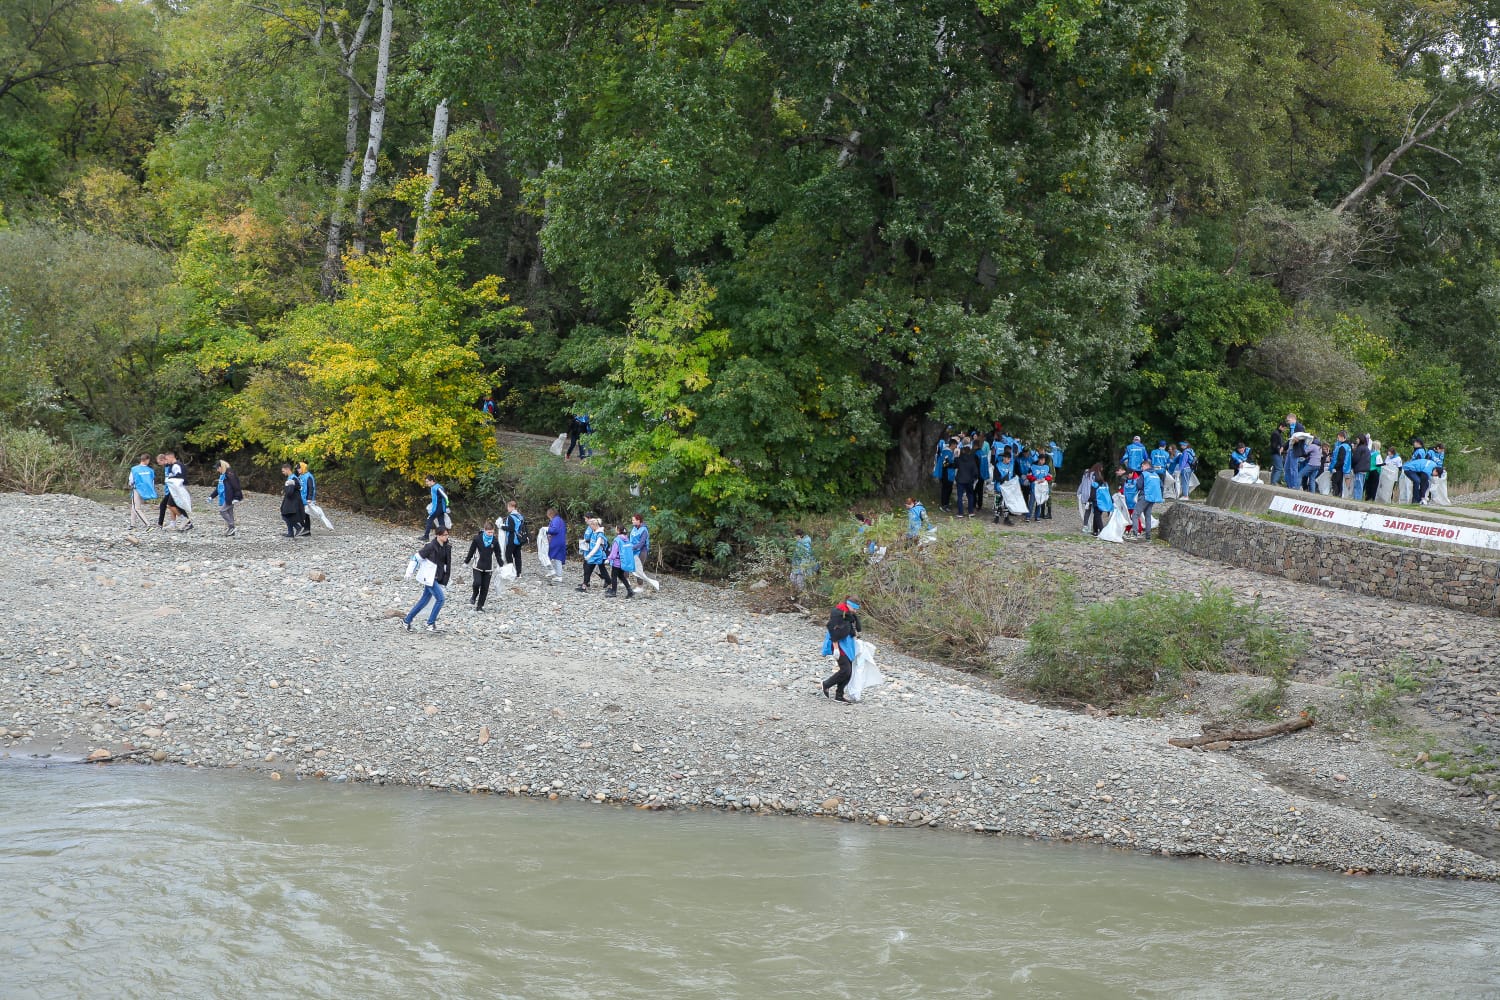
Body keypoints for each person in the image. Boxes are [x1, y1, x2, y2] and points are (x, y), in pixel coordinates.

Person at [404, 526, 452, 632]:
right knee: (441, 599)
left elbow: (446, 564)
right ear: (438, 535)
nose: (446, 537)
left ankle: (407, 620)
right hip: (429, 578)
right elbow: (416, 558)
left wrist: (446, 578)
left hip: (437, 578)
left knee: (423, 601)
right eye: (444, 535)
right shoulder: (430, 547)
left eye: (447, 534)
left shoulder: (447, 547)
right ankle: (430, 623)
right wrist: (409, 571)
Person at [819, 597, 862, 703]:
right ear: (849, 605)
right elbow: (833, 632)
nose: (855, 611)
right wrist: (836, 649)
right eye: (855, 608)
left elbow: (850, 628)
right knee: (845, 670)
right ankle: (826, 684)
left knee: (849, 672)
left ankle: (839, 695)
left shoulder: (849, 614)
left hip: (848, 644)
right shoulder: (837, 614)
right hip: (839, 644)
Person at [464, 522, 502, 610]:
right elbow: (471, 550)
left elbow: (498, 554)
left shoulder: (495, 541)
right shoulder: (477, 539)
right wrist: (466, 562)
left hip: (489, 568)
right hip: (477, 566)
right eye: (489, 532)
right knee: (477, 583)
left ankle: (480, 606)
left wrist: (501, 566)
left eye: (492, 532)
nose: (490, 534)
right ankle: (474, 594)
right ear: (485, 530)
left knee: (485, 588)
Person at [159, 452, 194, 531]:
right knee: (173, 505)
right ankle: (173, 523)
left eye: (167, 459)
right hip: (174, 488)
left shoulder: (176, 465)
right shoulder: (172, 465)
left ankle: (184, 519)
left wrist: (170, 479)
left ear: (171, 457)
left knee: (170, 505)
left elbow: (180, 477)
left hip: (178, 488)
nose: (166, 461)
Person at [628, 513, 661, 591]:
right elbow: (631, 539)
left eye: (633, 520)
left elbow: (641, 543)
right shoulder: (634, 528)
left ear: (638, 520)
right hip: (633, 550)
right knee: (634, 568)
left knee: (638, 568)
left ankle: (640, 586)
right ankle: (631, 583)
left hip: (642, 551)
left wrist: (632, 547)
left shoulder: (644, 530)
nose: (632, 521)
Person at [578, 517, 610, 590]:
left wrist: (589, 555)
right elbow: (592, 542)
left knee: (590, 569)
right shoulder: (594, 532)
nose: (590, 527)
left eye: (590, 526)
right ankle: (585, 585)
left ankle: (584, 586)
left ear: (594, 525)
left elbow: (597, 546)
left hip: (598, 556)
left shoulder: (600, 534)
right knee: (598, 570)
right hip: (595, 555)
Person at [214, 460, 243, 537]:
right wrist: (212, 496)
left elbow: (236, 486)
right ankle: (231, 530)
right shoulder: (225, 474)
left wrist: (237, 497)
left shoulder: (229, 474)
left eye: (217, 468)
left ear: (221, 467)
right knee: (230, 512)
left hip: (231, 497)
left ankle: (231, 526)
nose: (217, 470)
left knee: (222, 510)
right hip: (228, 497)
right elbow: (219, 488)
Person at [128, 454, 157, 531]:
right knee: (134, 506)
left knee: (136, 508)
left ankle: (148, 524)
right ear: (147, 460)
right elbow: (152, 482)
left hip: (137, 489)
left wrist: (131, 486)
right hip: (146, 491)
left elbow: (131, 481)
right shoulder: (151, 470)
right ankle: (132, 524)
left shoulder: (134, 469)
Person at [606, 524, 635, 598]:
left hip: (616, 562)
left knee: (613, 576)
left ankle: (613, 592)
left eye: (616, 528)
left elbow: (613, 553)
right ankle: (629, 590)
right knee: (621, 576)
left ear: (618, 530)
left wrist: (608, 559)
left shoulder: (617, 540)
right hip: (623, 562)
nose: (615, 529)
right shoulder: (626, 539)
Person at [498, 500, 525, 578]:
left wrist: (501, 526)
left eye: (508, 507)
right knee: (518, 556)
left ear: (512, 507)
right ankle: (519, 573)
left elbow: (511, 528)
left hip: (512, 539)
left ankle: (511, 571)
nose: (507, 509)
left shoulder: (510, 517)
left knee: (508, 555)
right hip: (519, 539)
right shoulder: (520, 516)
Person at [1138, 460, 1164, 541]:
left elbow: (1139, 486)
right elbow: (1161, 486)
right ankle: (1148, 536)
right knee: (1148, 516)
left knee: (1135, 514)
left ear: (1146, 465)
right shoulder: (1156, 475)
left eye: (1142, 466)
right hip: (1153, 498)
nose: (1141, 468)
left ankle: (1135, 534)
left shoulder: (1144, 474)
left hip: (1145, 496)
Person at [420, 475, 450, 542]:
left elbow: (445, 496)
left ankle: (426, 536)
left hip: (438, 508)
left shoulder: (437, 488)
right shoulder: (434, 487)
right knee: (441, 523)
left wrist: (447, 505)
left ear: (431, 481)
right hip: (440, 508)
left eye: (427, 481)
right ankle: (445, 539)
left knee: (429, 519)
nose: (426, 483)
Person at [279, 463, 305, 538]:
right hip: (291, 499)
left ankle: (297, 527)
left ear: (287, 469)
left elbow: (290, 491)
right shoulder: (291, 477)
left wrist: (286, 489)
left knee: (285, 515)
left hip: (293, 500)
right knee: (287, 514)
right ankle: (290, 533)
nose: (282, 473)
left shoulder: (293, 478)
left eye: (283, 471)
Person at [954, 443, 980, 517]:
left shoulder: (959, 460)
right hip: (969, 480)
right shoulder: (972, 460)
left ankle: (960, 512)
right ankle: (971, 512)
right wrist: (974, 478)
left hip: (960, 480)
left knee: (959, 496)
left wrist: (956, 456)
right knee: (970, 496)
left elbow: (954, 465)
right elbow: (975, 472)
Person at [543, 507, 567, 583]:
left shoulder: (556, 520)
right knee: (557, 558)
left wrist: (546, 529)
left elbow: (555, 530)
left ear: (550, 514)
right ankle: (557, 575)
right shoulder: (560, 520)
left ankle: (554, 573)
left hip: (556, 541)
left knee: (547, 556)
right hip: (560, 541)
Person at [1330, 432, 1352, 498]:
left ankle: (1335, 496)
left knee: (1335, 482)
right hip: (1344, 468)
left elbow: (1341, 459)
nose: (1337, 439)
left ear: (1342, 437)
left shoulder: (1342, 447)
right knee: (1340, 483)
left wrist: (1335, 467)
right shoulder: (1348, 446)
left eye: (1338, 437)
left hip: (1338, 468)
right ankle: (1339, 496)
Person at [297, 462, 317, 536]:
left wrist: (309, 498)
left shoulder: (308, 476)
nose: (298, 470)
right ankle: (305, 529)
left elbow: (311, 488)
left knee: (305, 514)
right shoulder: (301, 476)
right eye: (297, 469)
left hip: (306, 499)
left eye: (299, 468)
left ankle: (307, 530)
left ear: (303, 468)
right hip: (301, 498)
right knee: (302, 514)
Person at [1351, 434, 1371, 502]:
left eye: (1357, 439)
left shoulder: (1360, 448)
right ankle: (1358, 499)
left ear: (1360, 440)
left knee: (1358, 486)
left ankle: (1357, 500)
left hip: (1359, 469)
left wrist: (1352, 466)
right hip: (1364, 470)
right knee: (1361, 485)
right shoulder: (1366, 448)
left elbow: (1355, 459)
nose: (1356, 440)